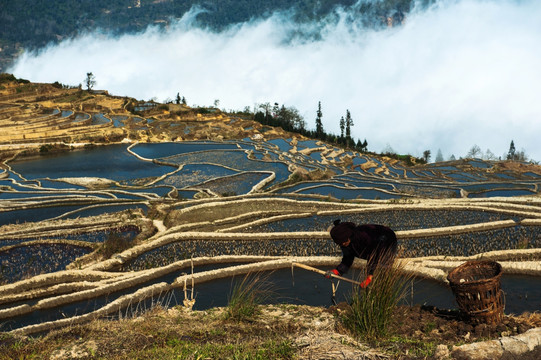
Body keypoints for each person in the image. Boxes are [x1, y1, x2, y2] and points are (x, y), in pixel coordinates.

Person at [325, 219, 398, 288]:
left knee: (383, 268)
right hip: (374, 245)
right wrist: (337, 271)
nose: (342, 244)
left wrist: (370, 276)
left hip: (386, 239)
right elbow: (348, 258)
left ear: (349, 237)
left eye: (344, 242)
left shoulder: (364, 237)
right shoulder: (344, 243)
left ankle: (380, 289)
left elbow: (374, 256)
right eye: (340, 244)